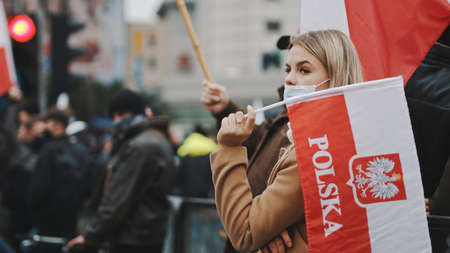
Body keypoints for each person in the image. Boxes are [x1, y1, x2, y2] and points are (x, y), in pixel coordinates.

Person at [209, 29, 364, 253]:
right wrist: (278, 226)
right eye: (288, 69)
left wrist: (230, 148)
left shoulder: (314, 153)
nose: (289, 78)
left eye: (304, 69)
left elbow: (245, 232)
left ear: (336, 78)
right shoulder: (348, 136)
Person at [66, 89, 175, 253]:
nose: (114, 123)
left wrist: (90, 236)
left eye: (116, 116)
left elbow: (118, 199)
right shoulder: (154, 139)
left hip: (133, 237)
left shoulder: (140, 146)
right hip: (146, 234)